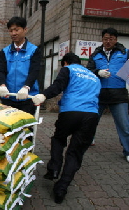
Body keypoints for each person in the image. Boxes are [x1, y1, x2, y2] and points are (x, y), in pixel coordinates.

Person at [32, 53, 101, 204]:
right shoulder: (94, 76)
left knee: (58, 139)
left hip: (70, 113)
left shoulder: (68, 69)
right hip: (91, 116)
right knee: (75, 153)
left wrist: (43, 95)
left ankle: (54, 168)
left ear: (65, 62)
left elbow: (58, 86)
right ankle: (61, 189)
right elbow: (88, 95)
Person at [0, 16, 41, 115]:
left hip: (27, 97)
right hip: (8, 97)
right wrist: (2, 85)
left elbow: (34, 71)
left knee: (26, 128)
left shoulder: (34, 50)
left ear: (25, 30)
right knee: (7, 127)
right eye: (11, 31)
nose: (13, 33)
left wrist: (26, 87)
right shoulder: (5, 52)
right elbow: (0, 70)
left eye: (16, 30)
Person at [87, 27, 129, 162]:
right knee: (91, 120)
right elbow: (89, 70)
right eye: (105, 39)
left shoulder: (125, 53)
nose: (108, 41)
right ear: (102, 39)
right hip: (99, 94)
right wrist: (97, 72)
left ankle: (127, 151)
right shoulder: (95, 55)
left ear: (116, 40)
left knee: (124, 125)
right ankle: (88, 140)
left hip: (119, 95)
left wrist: (123, 77)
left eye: (111, 39)